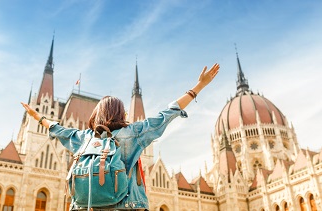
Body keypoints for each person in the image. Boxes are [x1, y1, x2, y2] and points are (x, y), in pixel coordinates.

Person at [22, 63, 220, 210]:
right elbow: (167, 114)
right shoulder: (133, 134)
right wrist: (198, 87)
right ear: (121, 114)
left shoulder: (85, 138)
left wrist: (37, 116)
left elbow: (58, 129)